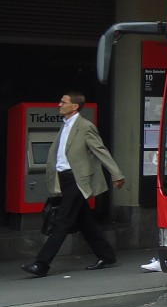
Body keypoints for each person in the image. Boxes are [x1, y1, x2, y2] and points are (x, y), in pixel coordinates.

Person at [20, 92, 125, 277]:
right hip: (64, 179)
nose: (59, 104)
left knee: (62, 220)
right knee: (85, 222)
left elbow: (100, 150)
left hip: (77, 179)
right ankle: (106, 255)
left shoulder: (85, 126)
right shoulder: (65, 125)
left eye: (63, 102)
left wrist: (116, 174)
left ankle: (41, 264)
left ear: (75, 106)